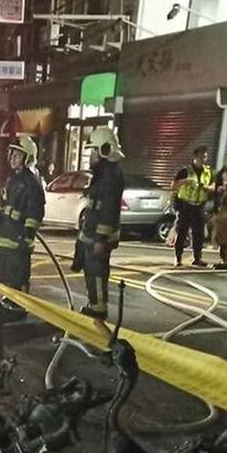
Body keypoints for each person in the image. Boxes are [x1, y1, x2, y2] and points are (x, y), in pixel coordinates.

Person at [73, 126, 125, 321]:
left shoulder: (110, 175)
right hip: (93, 232)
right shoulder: (103, 173)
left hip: (99, 235)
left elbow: (109, 209)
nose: (90, 156)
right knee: (91, 269)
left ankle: (98, 308)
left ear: (104, 150)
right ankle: (94, 304)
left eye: (93, 151)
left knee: (96, 271)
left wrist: (101, 238)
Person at [0, 134, 44, 316]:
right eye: (12, 154)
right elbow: (6, 205)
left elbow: (35, 211)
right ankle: (7, 306)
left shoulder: (32, 183)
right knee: (6, 276)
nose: (12, 158)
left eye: (17, 155)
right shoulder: (12, 180)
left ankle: (17, 309)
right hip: (7, 237)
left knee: (17, 277)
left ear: (27, 158)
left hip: (19, 240)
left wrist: (28, 233)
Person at [172, 146, 214, 268]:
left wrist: (205, 187)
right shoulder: (185, 171)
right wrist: (185, 181)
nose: (203, 159)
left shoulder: (208, 172)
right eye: (201, 157)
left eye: (205, 157)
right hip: (186, 206)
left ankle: (197, 258)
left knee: (199, 234)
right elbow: (174, 186)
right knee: (181, 233)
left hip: (199, 206)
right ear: (194, 157)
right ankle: (178, 258)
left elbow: (213, 187)